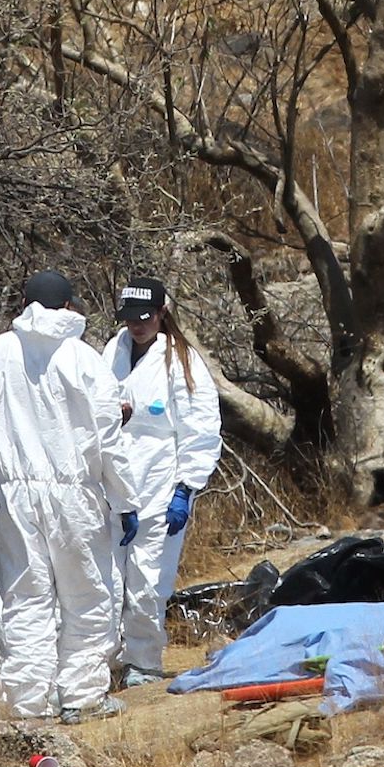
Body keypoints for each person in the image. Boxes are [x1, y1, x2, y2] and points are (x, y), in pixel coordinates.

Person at [0, 270, 141, 724]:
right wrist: (124, 498)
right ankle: (81, 696)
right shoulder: (82, 357)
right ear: (68, 306)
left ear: (23, 302)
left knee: (24, 598)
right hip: (76, 495)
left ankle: (25, 704)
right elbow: (107, 436)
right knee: (87, 595)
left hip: (15, 496)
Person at [102, 277, 222, 688]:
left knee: (148, 581)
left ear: (162, 314)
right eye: (130, 319)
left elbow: (200, 429)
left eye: (146, 317)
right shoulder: (111, 352)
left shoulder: (181, 362)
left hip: (159, 484)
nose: (137, 326)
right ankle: (107, 660)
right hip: (113, 486)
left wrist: (186, 489)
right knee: (107, 581)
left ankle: (144, 661)